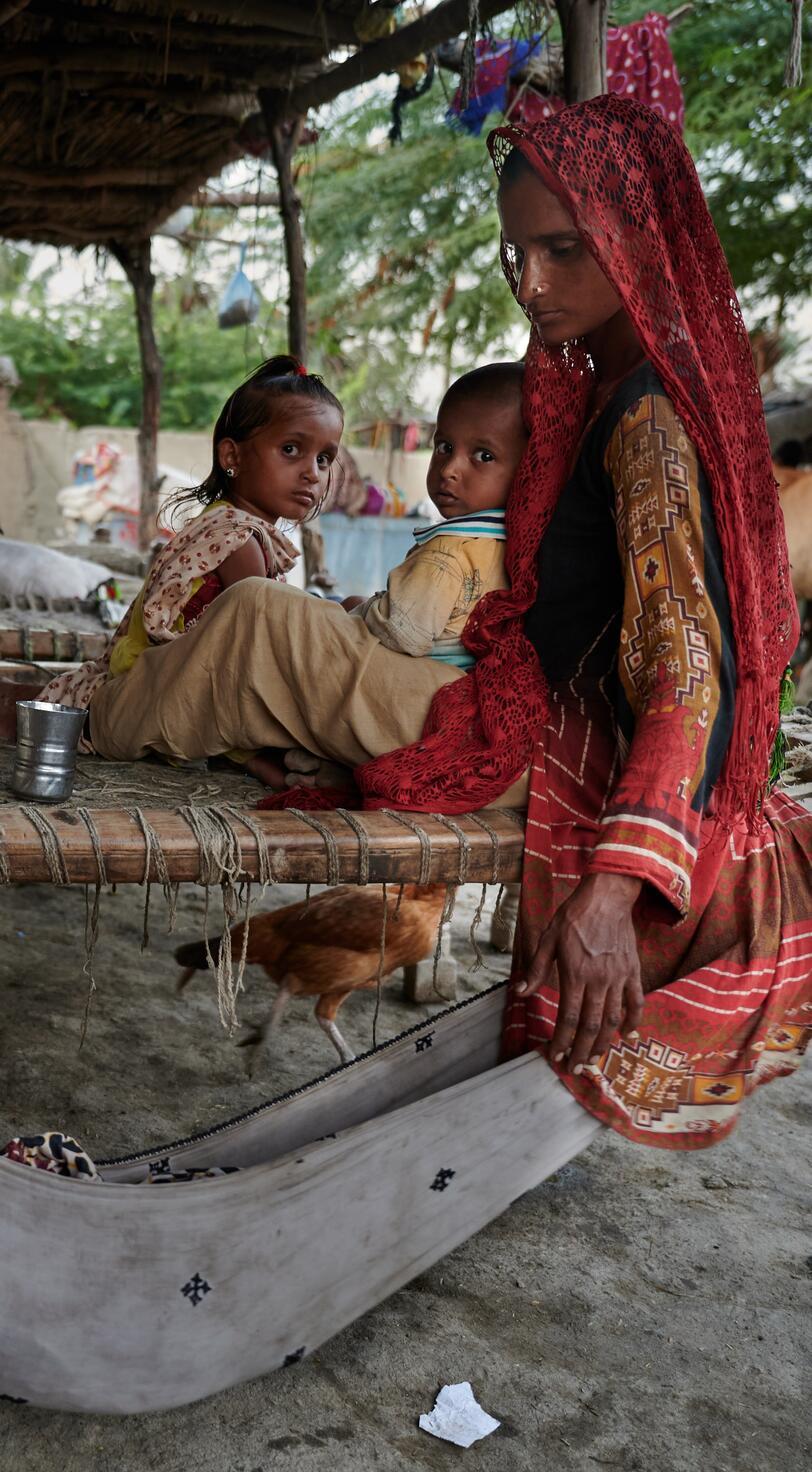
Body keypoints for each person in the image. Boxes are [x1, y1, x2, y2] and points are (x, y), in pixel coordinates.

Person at [362, 96, 812, 1148]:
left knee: (255, 632)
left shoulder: (648, 416)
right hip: (550, 712)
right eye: (516, 254)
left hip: (564, 746)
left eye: (562, 249)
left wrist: (612, 890)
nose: (530, 285)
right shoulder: (619, 383)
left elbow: (687, 665)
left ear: (632, 236)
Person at [42, 356, 344, 784]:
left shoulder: (222, 520)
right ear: (231, 455)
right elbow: (269, 646)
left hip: (138, 684)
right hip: (152, 697)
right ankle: (250, 757)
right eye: (291, 450)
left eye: (324, 459)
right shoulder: (239, 539)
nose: (311, 473)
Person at [344, 363, 525, 669]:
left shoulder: (448, 551)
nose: (449, 469)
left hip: (411, 688)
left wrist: (360, 609)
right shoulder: (508, 542)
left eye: (484, 455)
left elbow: (400, 634)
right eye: (444, 446)